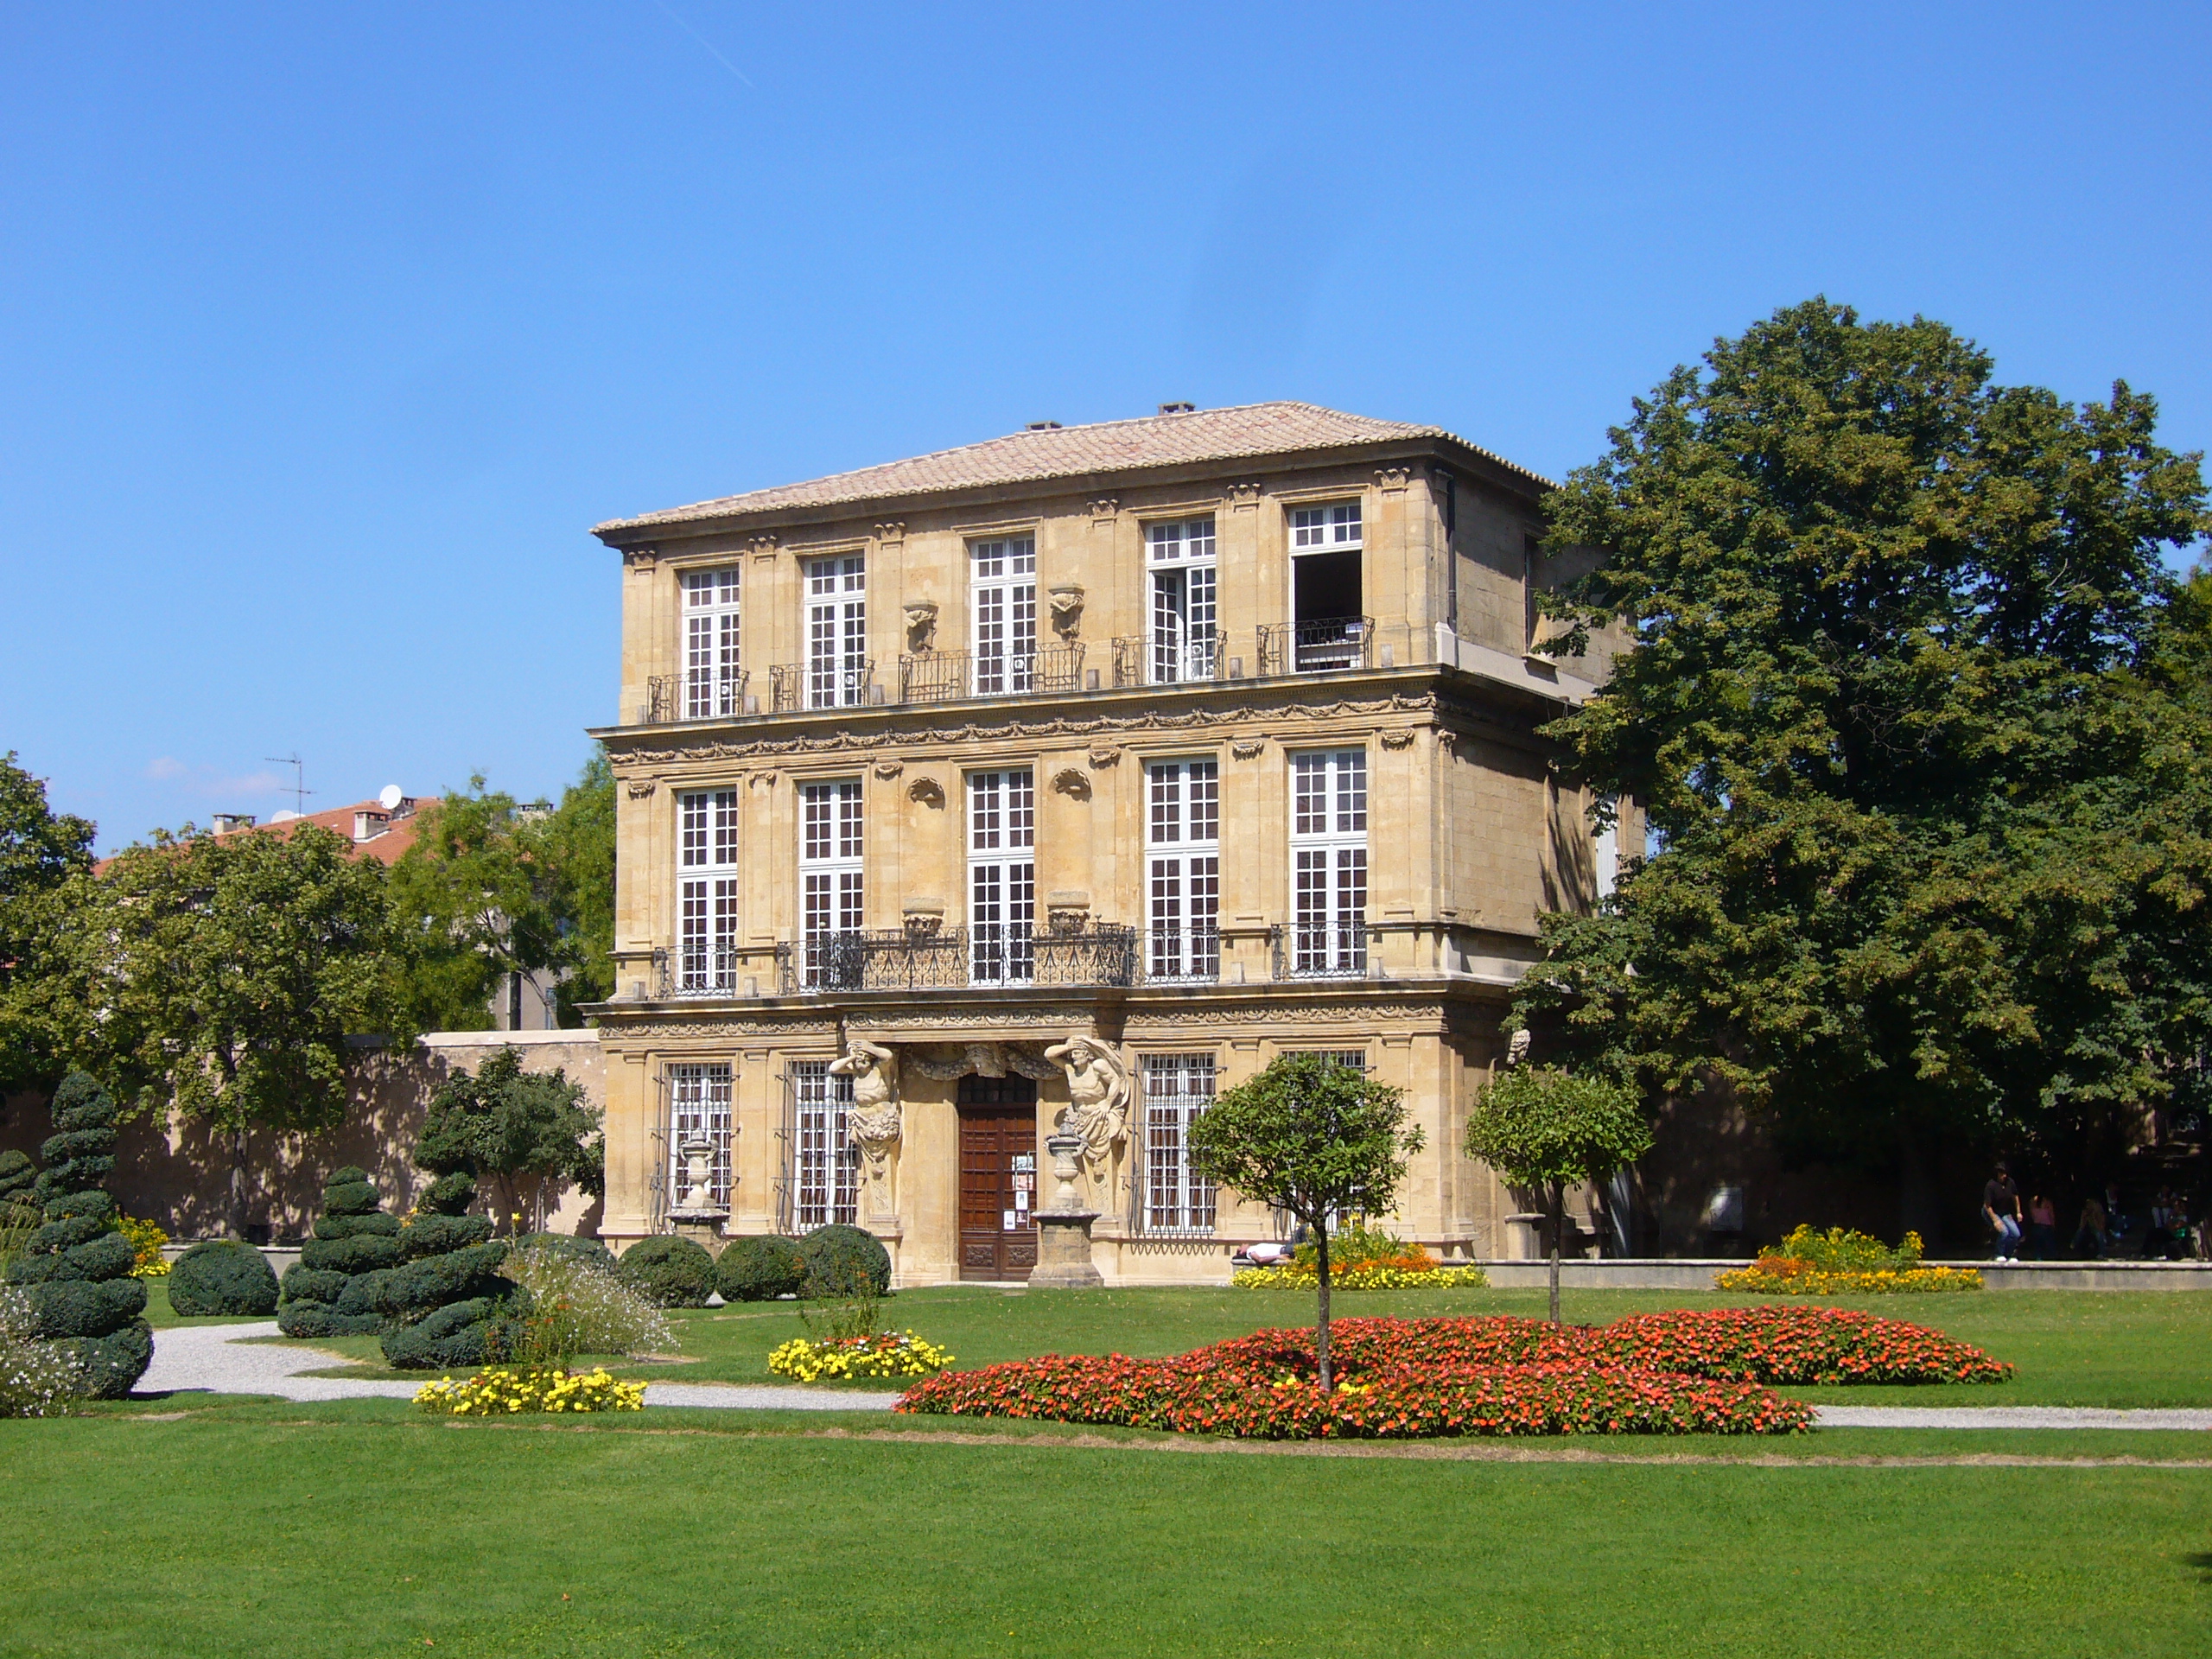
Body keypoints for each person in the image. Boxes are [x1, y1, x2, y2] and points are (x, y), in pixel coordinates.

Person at [1982, 1161, 2024, 1261]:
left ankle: (2009, 1254)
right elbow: (1987, 1205)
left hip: (2004, 1211)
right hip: (1991, 1211)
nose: (2003, 1176)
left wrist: (2018, 1212)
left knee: (2015, 1233)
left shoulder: (2010, 1183)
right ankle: (1998, 1254)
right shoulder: (1991, 1185)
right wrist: (1995, 1220)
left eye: (2005, 1173)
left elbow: (2015, 1197)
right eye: (2001, 1174)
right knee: (2004, 1232)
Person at [2070, 1193, 2108, 1258]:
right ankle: (2073, 1245)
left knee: (2099, 1235)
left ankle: (2102, 1253)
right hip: (2088, 1230)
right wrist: (2084, 1218)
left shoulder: (2101, 1214)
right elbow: (2081, 1226)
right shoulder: (2085, 1212)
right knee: (2080, 1232)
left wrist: (2094, 1218)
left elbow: (2100, 1228)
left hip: (2097, 1230)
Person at [2026, 1193, 2057, 1261]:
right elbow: (2051, 1215)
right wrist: (2053, 1225)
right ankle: (2053, 1259)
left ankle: (2038, 1260)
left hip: (2036, 1225)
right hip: (2046, 1226)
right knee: (2050, 1245)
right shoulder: (2047, 1202)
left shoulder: (2032, 1202)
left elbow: (2031, 1214)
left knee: (2037, 1246)